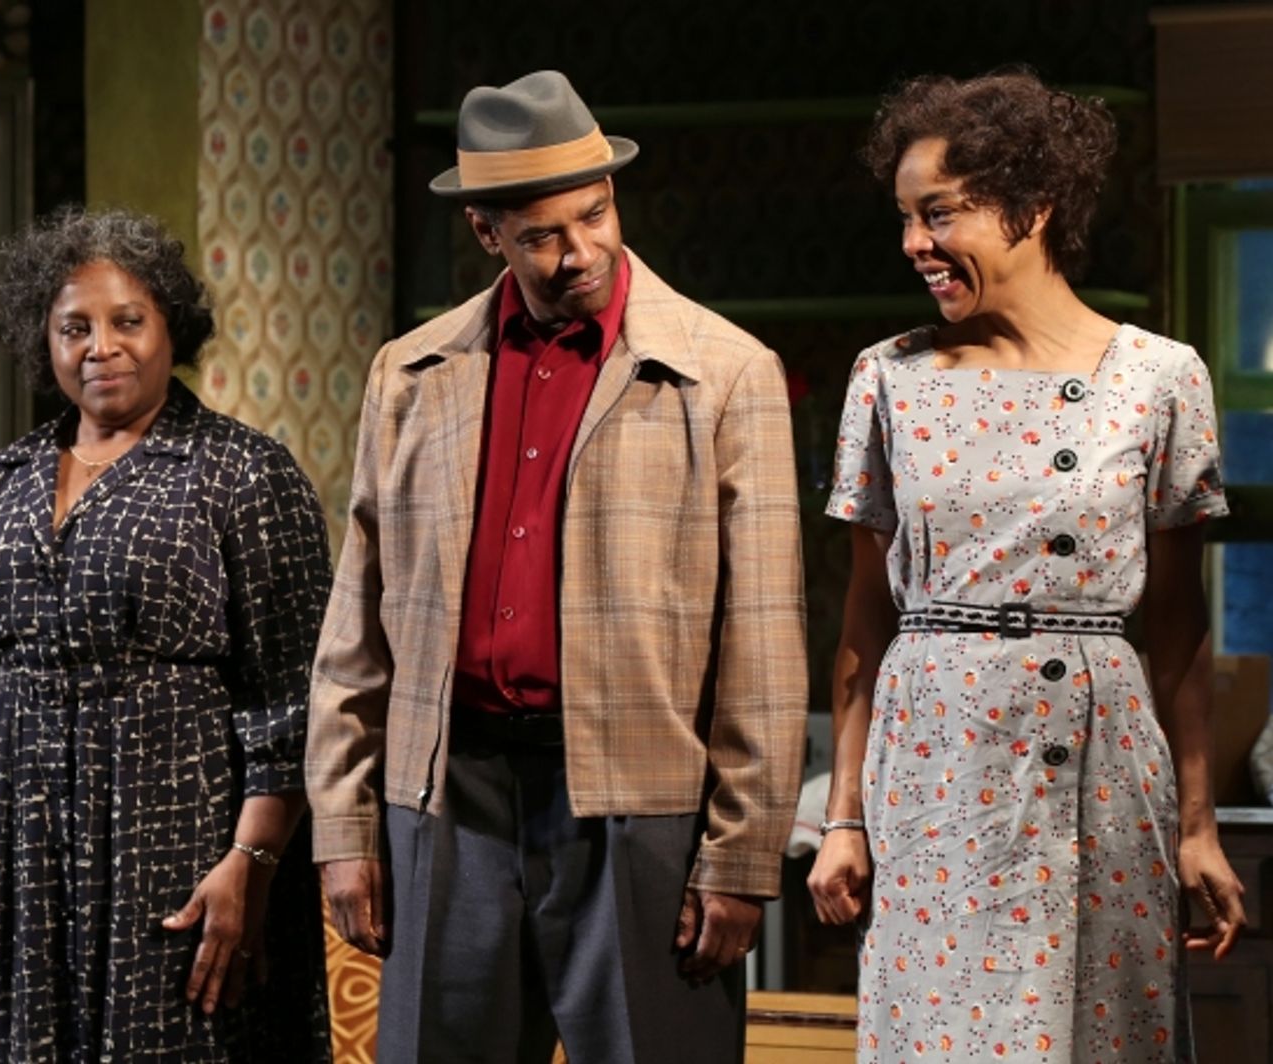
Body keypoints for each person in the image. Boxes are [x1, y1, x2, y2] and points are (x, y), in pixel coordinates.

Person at [305, 70, 808, 1063]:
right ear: (486, 232)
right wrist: (343, 820)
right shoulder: (409, 375)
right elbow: (356, 617)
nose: (579, 250)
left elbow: (762, 633)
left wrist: (742, 851)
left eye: (594, 213)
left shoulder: (722, 370)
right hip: (447, 793)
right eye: (541, 233)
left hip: (638, 801)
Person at [807, 70, 1246, 1061]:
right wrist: (842, 816)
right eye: (905, 217)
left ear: (1031, 206)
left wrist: (1193, 825)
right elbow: (862, 620)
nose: (914, 242)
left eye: (938, 213)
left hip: (1097, 767)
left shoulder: (1159, 375)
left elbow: (1176, 627)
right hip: (935, 768)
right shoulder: (888, 378)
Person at [0, 207, 334, 1062]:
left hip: (178, 847)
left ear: (172, 326)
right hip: (14, 857)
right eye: (75, 328)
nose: (102, 347)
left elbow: (292, 703)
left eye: (127, 321)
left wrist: (251, 860)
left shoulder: (242, 474)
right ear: (42, 342)